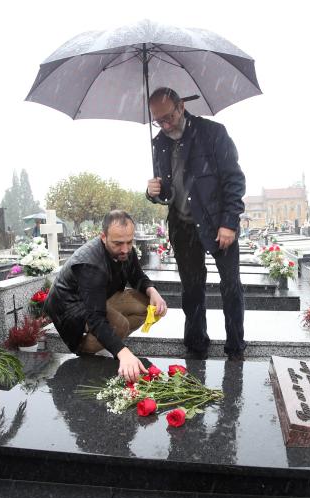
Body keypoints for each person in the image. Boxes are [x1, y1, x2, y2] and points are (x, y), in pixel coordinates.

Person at [145, 87, 247, 359]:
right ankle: (196, 344)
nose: (165, 125)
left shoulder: (212, 133)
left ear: (181, 107)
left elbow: (234, 181)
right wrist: (153, 191)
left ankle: (236, 347)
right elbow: (166, 192)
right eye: (159, 121)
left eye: (168, 117)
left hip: (216, 223)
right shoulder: (158, 143)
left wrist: (229, 223)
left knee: (230, 286)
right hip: (182, 225)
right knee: (191, 287)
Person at [44, 210, 167, 381]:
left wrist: (152, 291)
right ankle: (90, 348)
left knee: (150, 307)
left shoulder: (125, 249)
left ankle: (107, 340)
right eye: (118, 244)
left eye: (129, 242)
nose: (125, 249)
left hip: (99, 296)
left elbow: (136, 276)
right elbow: (95, 317)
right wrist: (123, 352)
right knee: (120, 325)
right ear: (103, 237)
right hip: (72, 309)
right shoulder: (90, 265)